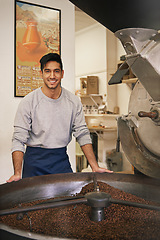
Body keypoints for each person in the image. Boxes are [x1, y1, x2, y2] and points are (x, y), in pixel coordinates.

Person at [7, 53, 112, 182]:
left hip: (60, 161)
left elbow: (82, 133)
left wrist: (94, 166)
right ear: (41, 74)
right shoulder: (29, 102)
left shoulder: (73, 101)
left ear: (62, 73)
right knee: (34, 202)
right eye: (47, 71)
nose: (52, 76)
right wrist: (17, 173)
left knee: (67, 200)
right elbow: (18, 139)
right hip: (34, 163)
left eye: (56, 71)